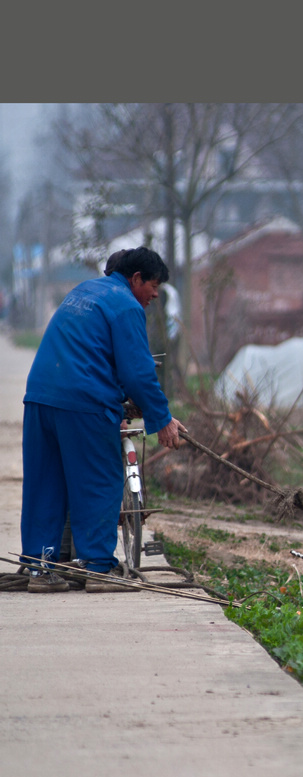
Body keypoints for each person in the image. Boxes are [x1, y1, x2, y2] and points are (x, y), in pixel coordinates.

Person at [21, 246, 185, 593]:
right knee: (98, 480)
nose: (155, 294)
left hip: (40, 396)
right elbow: (138, 372)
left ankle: (40, 566)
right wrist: (162, 419)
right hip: (83, 402)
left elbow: (94, 352)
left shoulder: (83, 291)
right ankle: (97, 567)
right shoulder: (125, 305)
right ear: (135, 278)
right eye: (153, 285)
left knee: (46, 484)